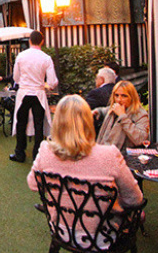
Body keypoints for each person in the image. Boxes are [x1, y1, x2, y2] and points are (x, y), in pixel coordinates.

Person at [27, 95, 143, 234]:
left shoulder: (46, 150)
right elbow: (134, 199)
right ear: (88, 121)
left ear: (57, 122)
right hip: (101, 234)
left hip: (62, 230)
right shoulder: (109, 154)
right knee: (137, 216)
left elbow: (33, 184)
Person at [10, 30, 58, 163]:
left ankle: (20, 153)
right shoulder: (46, 58)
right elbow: (53, 81)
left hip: (24, 93)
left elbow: (16, 78)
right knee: (39, 124)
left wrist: (24, 82)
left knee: (21, 123)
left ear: (29, 41)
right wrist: (45, 85)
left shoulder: (21, 56)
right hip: (38, 94)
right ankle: (38, 154)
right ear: (42, 41)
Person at [93, 80, 149, 150]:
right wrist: (96, 112)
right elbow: (103, 110)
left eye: (124, 96)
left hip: (123, 154)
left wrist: (122, 116)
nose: (119, 99)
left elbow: (140, 139)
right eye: (116, 95)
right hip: (104, 151)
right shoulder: (113, 108)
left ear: (132, 97)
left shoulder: (140, 114)